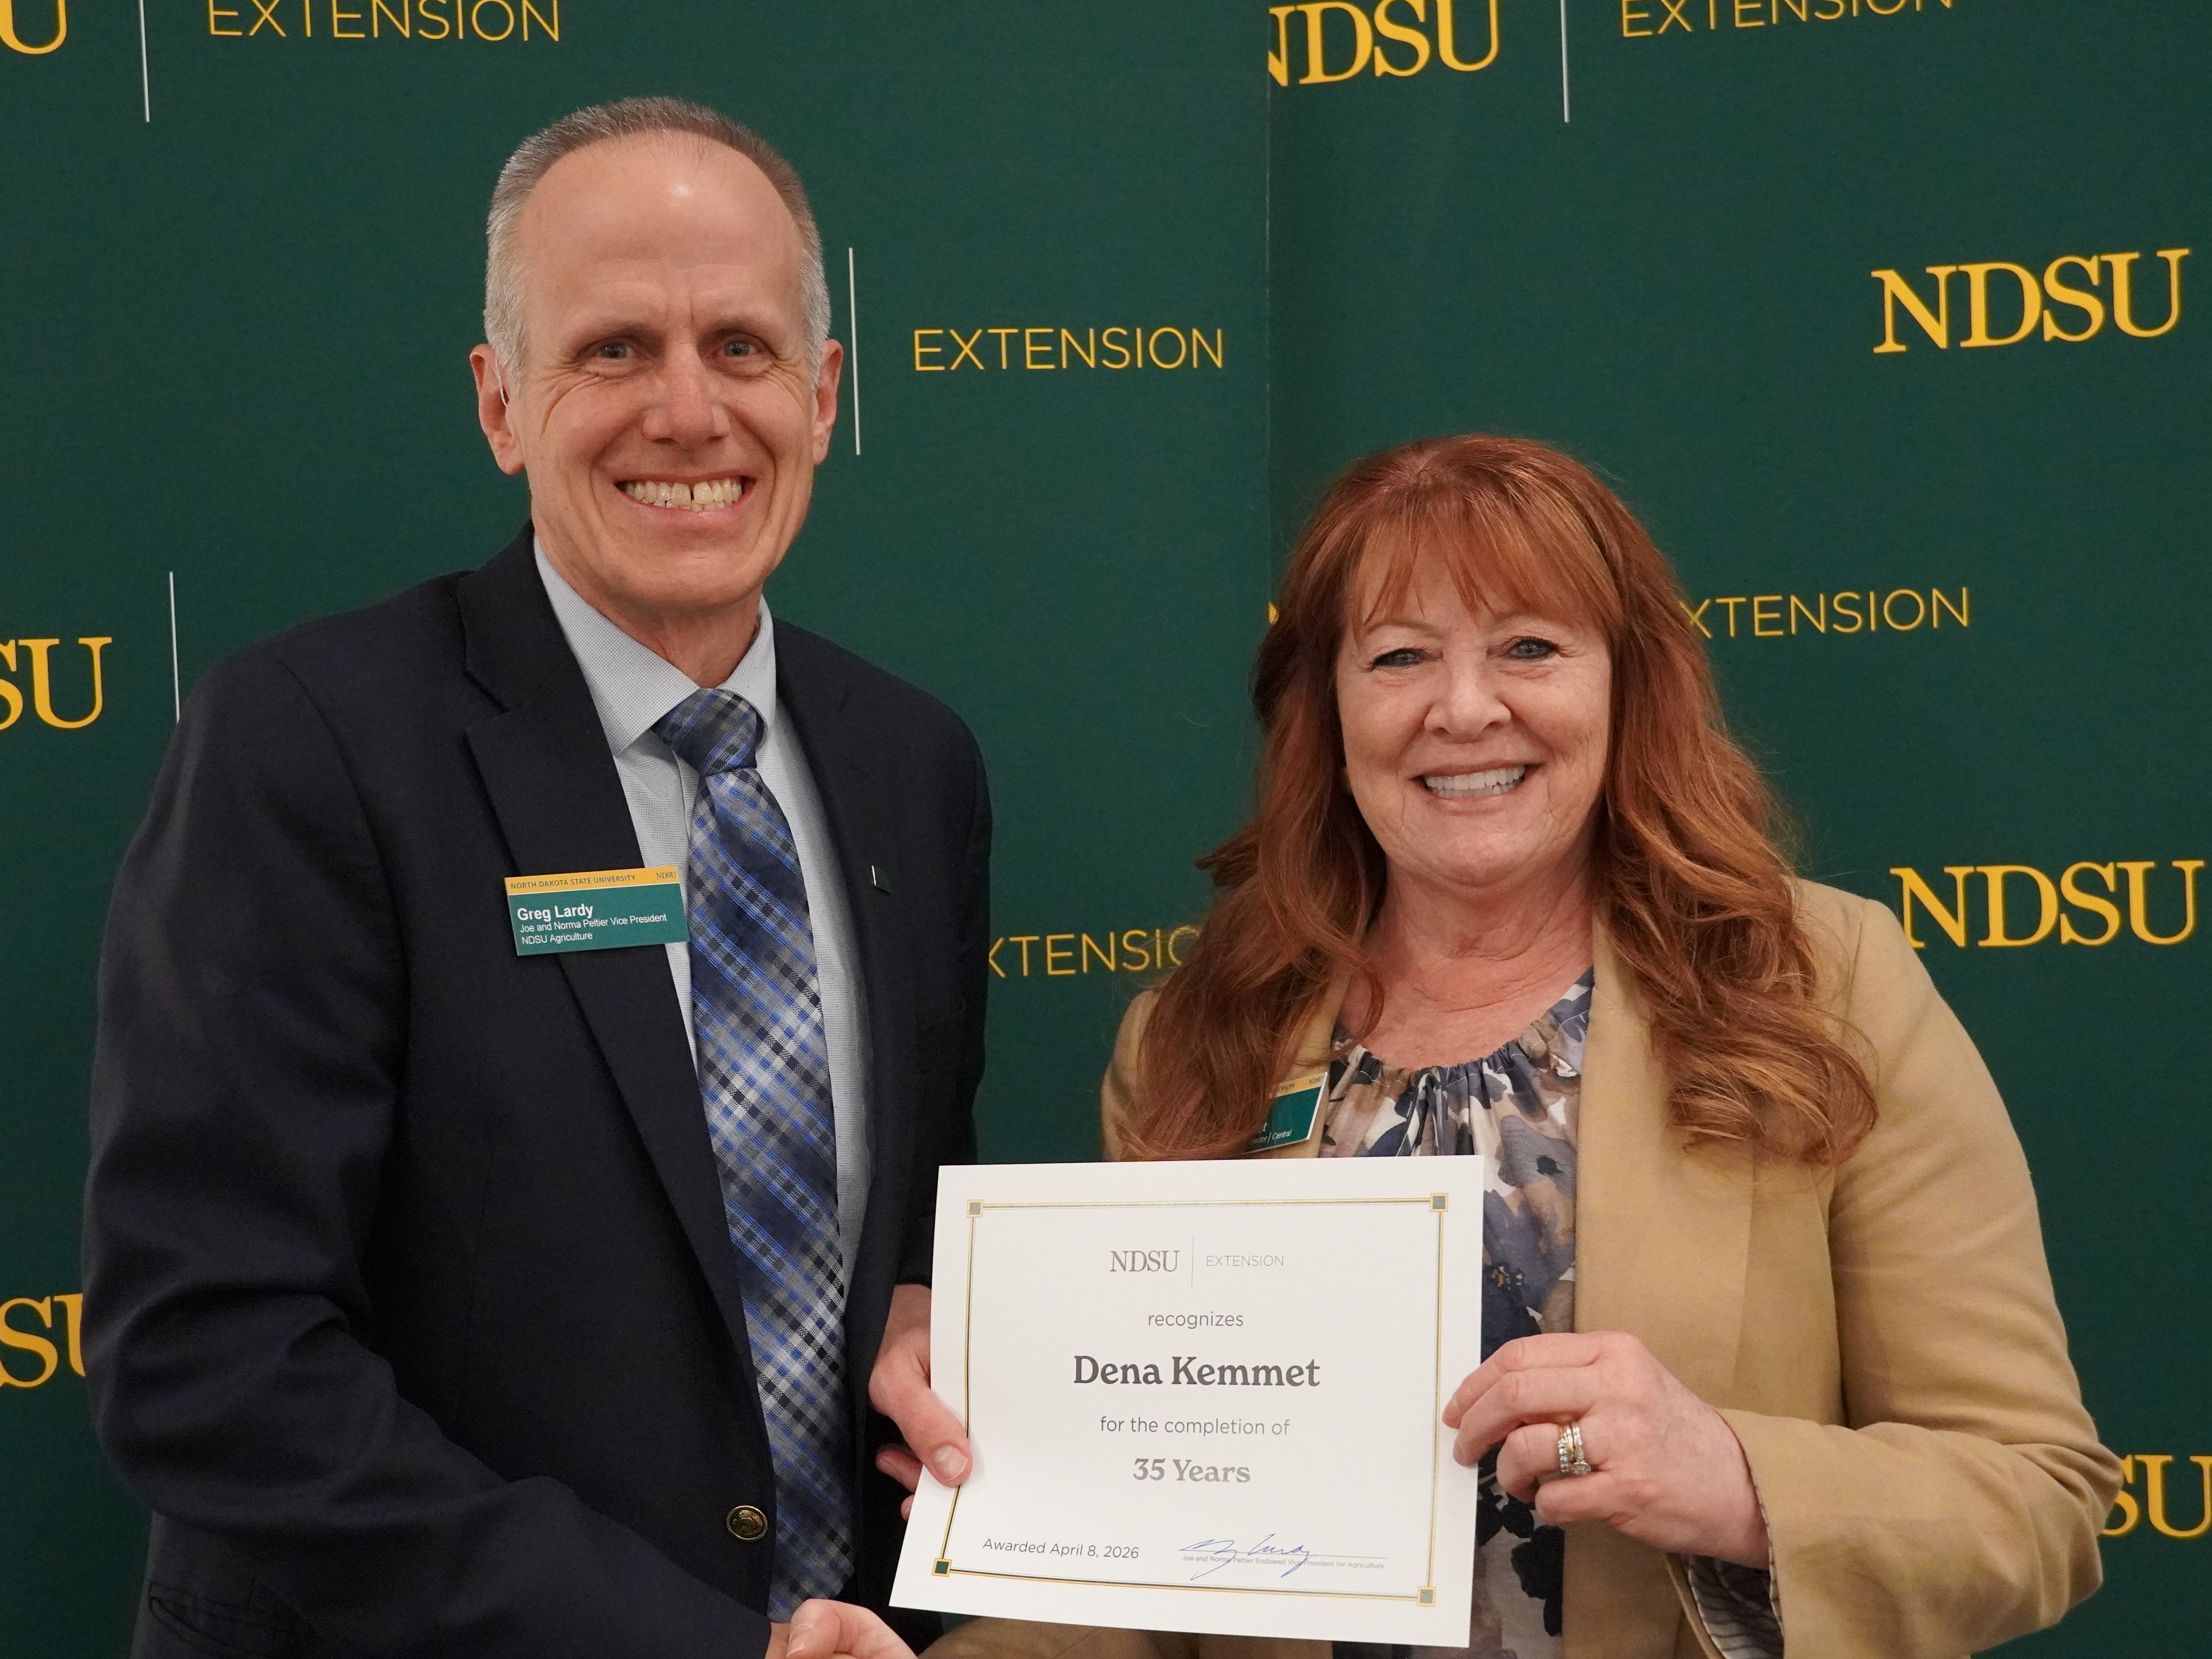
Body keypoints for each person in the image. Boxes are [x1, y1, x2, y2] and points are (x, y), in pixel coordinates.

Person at [930, 435, 2118, 1659]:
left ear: (1627, 685)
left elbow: (2037, 1497)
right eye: (1399, 657)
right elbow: (1150, 1579)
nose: (1463, 708)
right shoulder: (1195, 1037)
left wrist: (1740, 1480)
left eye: (1529, 647)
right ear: (1326, 714)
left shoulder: (1824, 986)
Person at [85, 97, 977, 1659]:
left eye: (745, 349)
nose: (690, 413)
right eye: (615, 349)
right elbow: (207, 1359)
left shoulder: (913, 761)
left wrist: (931, 1319)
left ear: (827, 394)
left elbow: (888, 1248)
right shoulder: (307, 747)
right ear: (502, 405)